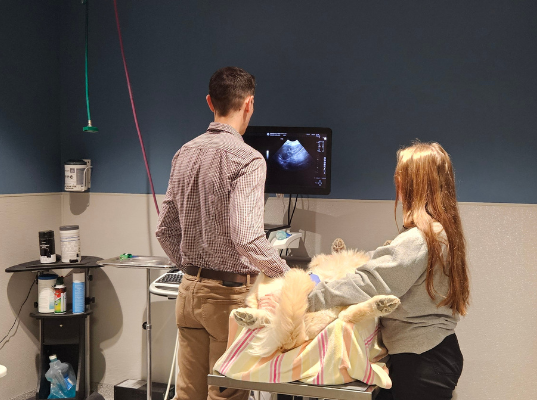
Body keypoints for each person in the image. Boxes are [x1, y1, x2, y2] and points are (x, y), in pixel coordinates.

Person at [156, 66, 289, 400]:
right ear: (249, 105)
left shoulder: (183, 153)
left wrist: (193, 268)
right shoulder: (248, 159)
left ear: (209, 102)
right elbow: (246, 235)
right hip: (228, 298)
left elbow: (165, 230)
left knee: (188, 394)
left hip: (188, 293)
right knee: (226, 394)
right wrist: (286, 275)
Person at [306, 142, 470, 400]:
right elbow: (377, 262)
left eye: (400, 177)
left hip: (422, 362)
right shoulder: (438, 233)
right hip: (430, 354)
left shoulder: (420, 239)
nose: (397, 184)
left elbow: (372, 281)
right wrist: (336, 267)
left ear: (411, 183)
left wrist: (310, 296)